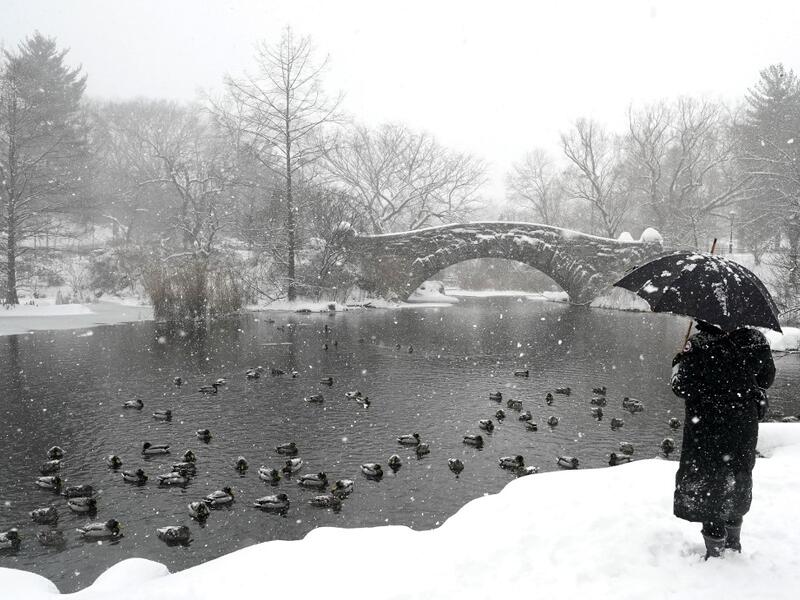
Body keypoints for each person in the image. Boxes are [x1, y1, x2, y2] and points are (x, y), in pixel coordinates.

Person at [670, 319, 775, 559]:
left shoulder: (698, 344)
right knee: (735, 477)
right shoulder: (755, 339)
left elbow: (682, 388)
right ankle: (733, 545)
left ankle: (715, 551)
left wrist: (677, 364)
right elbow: (766, 380)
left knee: (710, 483)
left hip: (707, 426)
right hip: (742, 426)